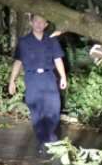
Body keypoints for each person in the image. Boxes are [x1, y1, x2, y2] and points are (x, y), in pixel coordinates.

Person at [7, 13, 68, 152]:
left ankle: (49, 139)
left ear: (46, 25)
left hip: (49, 78)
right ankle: (45, 141)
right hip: (32, 79)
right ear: (31, 22)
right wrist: (12, 81)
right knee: (37, 112)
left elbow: (58, 59)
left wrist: (63, 77)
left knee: (54, 108)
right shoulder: (24, 42)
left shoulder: (51, 41)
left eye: (42, 22)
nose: (39, 24)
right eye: (36, 21)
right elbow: (18, 62)